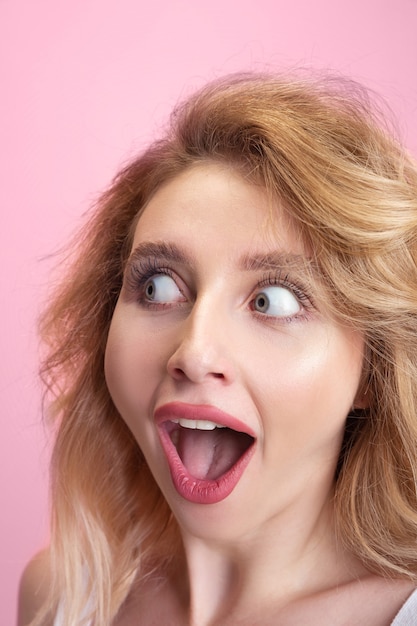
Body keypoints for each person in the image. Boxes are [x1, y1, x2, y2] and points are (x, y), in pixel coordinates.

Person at [18, 72, 417, 626]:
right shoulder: (62, 596)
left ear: (373, 372)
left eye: (272, 301)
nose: (195, 351)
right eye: (157, 287)